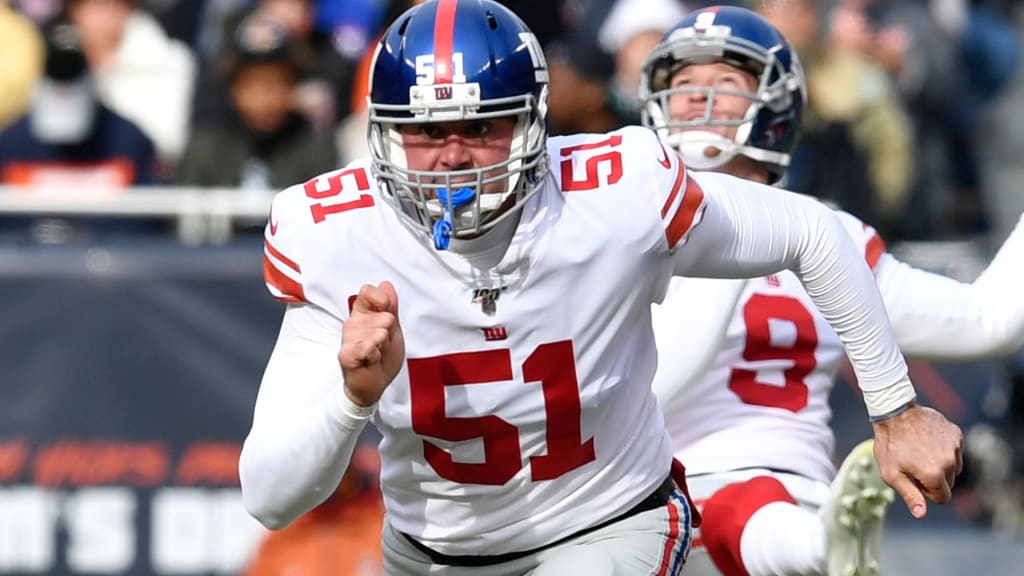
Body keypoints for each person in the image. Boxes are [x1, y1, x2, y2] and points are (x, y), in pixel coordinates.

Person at [239, 1, 962, 574]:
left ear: (532, 123)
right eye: (427, 131)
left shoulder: (616, 190)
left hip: (609, 519)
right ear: (383, 136)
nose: (454, 156)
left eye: (481, 124)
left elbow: (812, 233)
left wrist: (895, 408)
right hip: (433, 551)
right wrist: (351, 398)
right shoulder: (332, 232)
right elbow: (270, 498)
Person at [638, 6, 1024, 576]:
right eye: (683, 83)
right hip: (649, 498)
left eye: (723, 81)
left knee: (744, 505)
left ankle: (819, 544)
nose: (696, 98)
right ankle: (820, 547)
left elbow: (989, 320)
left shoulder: (829, 236)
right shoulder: (619, 215)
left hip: (773, 491)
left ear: (774, 106)